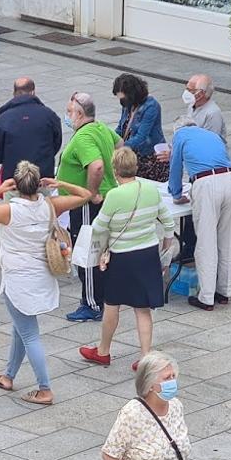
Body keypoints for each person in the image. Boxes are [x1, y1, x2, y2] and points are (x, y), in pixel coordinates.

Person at [0, 163, 92, 405]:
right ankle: (8, 375)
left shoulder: (8, 211)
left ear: (15, 185)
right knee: (21, 327)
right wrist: (60, 184)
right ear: (39, 185)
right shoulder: (50, 206)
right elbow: (85, 195)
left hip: (17, 278)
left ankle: (45, 388)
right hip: (42, 275)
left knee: (29, 333)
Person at [79, 148, 176, 370]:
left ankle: (103, 351)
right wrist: (165, 251)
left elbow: (99, 228)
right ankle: (145, 357)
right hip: (148, 253)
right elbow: (168, 224)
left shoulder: (114, 195)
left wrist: (102, 251)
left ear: (115, 171)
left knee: (112, 304)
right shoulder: (150, 189)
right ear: (135, 166)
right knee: (142, 308)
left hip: (122, 257)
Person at [58, 91, 118, 322]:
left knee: (86, 252)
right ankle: (100, 297)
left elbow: (96, 166)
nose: (67, 115)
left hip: (86, 204)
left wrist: (91, 192)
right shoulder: (100, 128)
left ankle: (92, 304)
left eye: (69, 111)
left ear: (80, 113)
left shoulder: (83, 137)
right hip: (103, 198)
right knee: (97, 249)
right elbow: (120, 143)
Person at [168, 116, 231, 310]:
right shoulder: (211, 135)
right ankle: (224, 291)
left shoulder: (180, 136)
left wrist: (175, 194)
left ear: (177, 129)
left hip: (206, 183)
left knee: (206, 241)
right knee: (227, 238)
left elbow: (174, 168)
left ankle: (206, 296)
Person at [0, 77, 62, 182]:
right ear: (33, 92)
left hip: (13, 179)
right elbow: (56, 143)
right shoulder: (49, 115)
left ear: (14, 93)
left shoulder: (3, 120)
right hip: (43, 177)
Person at [112, 73, 167, 182]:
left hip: (150, 157)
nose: (121, 102)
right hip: (134, 155)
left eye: (123, 98)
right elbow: (121, 127)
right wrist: (111, 139)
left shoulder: (151, 106)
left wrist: (119, 147)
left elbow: (141, 136)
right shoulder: (128, 105)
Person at [184, 74, 226, 140]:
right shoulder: (192, 105)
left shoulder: (212, 113)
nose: (186, 92)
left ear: (201, 93)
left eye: (190, 90)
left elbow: (210, 141)